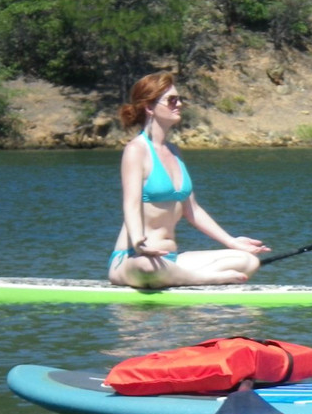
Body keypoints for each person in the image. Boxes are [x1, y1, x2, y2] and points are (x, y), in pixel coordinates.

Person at [108, 71, 269, 288]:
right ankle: (204, 279)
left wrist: (232, 241)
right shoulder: (136, 150)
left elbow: (192, 209)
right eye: (172, 100)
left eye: (180, 99)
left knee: (248, 261)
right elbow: (131, 204)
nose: (179, 104)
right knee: (147, 267)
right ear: (149, 107)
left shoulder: (174, 151)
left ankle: (178, 277)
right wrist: (138, 242)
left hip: (170, 259)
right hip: (134, 258)